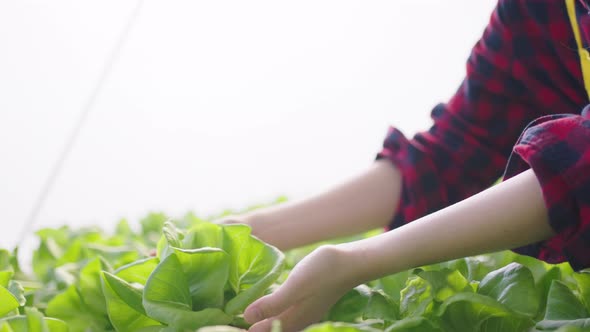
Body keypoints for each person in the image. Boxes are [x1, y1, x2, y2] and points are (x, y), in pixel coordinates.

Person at [222, 1, 590, 331]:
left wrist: (358, 261)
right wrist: (248, 231)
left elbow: (579, 163)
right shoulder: (534, 11)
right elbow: (451, 155)